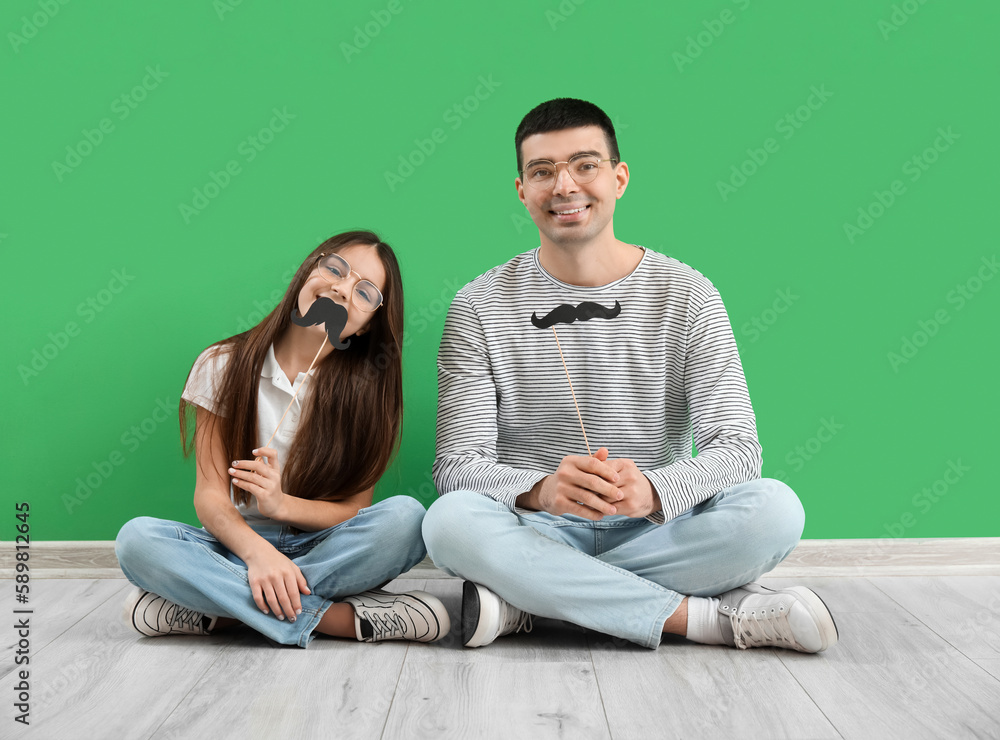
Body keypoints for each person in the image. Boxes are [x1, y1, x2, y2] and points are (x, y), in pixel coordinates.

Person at [421, 99, 838, 653]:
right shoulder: (479, 304)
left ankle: (528, 600)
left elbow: (737, 448)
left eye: (584, 165)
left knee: (776, 509)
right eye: (542, 172)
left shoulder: (688, 294)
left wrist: (653, 490)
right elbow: (456, 466)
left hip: (658, 528)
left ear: (619, 178)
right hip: (538, 528)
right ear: (522, 190)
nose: (564, 185)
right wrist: (542, 491)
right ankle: (704, 619)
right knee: (448, 522)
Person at [116, 231, 449, 647]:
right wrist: (258, 556)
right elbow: (210, 497)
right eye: (335, 269)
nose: (342, 289)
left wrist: (280, 504)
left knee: (407, 519)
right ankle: (340, 620)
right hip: (234, 544)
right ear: (310, 268)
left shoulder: (367, 392)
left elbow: (354, 511)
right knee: (137, 540)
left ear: (367, 327)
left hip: (324, 546)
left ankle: (219, 613)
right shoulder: (222, 365)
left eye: (364, 292)